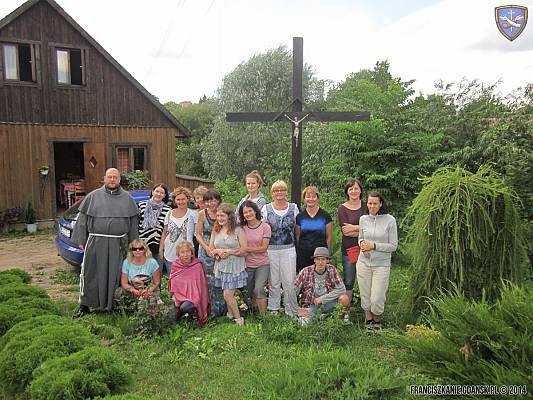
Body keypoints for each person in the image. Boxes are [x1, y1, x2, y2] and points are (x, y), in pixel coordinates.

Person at [72, 167, 139, 318]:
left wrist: (134, 244)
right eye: (110, 177)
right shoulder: (93, 196)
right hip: (96, 242)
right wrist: (81, 239)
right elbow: (82, 220)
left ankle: (114, 303)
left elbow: (133, 224)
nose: (112, 180)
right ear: (104, 178)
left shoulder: (127, 199)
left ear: (119, 180)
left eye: (115, 177)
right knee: (91, 273)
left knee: (117, 274)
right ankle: (85, 305)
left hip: (119, 244)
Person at [356, 191, 398, 331]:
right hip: (363, 263)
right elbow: (361, 237)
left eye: (375, 203)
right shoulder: (363, 219)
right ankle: (369, 321)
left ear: (381, 204)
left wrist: (374, 246)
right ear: (366, 204)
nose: (372, 206)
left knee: (377, 298)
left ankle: (377, 319)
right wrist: (363, 246)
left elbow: (393, 246)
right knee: (365, 295)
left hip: (381, 265)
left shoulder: (390, 220)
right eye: (369, 203)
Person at [261, 180, 299, 317]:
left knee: (289, 281)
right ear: (272, 193)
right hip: (271, 249)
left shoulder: (293, 208)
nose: (279, 193)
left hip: (288, 249)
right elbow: (262, 230)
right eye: (276, 190)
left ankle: (291, 310)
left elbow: (297, 229)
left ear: (286, 192)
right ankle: (273, 308)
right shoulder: (266, 209)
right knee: (273, 281)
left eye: (282, 190)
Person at [210, 203, 248, 325]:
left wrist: (229, 251)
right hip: (221, 266)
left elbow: (244, 250)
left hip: (235, 267)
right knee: (226, 293)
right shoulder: (216, 230)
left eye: (222, 216)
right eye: (218, 216)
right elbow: (211, 250)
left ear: (229, 216)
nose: (219, 219)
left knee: (227, 294)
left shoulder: (238, 230)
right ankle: (230, 314)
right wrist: (218, 253)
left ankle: (239, 319)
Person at [294, 247, 350, 324]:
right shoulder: (306, 271)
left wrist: (322, 299)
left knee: (344, 298)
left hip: (329, 303)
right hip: (312, 305)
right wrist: (297, 310)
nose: (320, 262)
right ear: (314, 260)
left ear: (327, 260)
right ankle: (323, 317)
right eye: (318, 259)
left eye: (323, 259)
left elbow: (342, 289)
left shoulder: (332, 269)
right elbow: (293, 290)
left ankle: (340, 319)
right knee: (303, 324)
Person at [337, 178, 366, 320]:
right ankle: (346, 313)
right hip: (349, 251)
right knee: (348, 281)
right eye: (351, 189)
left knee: (366, 281)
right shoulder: (342, 209)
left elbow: (373, 228)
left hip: (366, 250)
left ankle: (368, 312)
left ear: (360, 190)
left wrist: (354, 228)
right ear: (347, 192)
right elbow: (345, 232)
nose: (354, 191)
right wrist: (364, 228)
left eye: (356, 188)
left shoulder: (367, 206)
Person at [195, 190, 226, 317]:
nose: (210, 203)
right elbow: (197, 234)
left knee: (220, 280)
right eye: (207, 200)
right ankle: (209, 311)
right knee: (207, 281)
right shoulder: (202, 214)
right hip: (205, 251)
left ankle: (223, 310)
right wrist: (207, 248)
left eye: (213, 200)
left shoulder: (224, 213)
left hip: (221, 250)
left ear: (218, 200)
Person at [239, 200, 271, 315]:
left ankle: (263, 316)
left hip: (262, 263)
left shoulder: (265, 227)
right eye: (245, 212)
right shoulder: (241, 228)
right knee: (247, 291)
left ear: (255, 211)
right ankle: (253, 312)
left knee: (258, 289)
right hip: (246, 264)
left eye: (250, 211)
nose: (248, 214)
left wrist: (246, 249)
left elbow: (263, 248)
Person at [169, 241, 209, 325]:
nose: (185, 254)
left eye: (187, 251)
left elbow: (202, 287)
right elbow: (172, 283)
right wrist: (174, 296)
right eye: (182, 252)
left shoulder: (197, 266)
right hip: (178, 298)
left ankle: (192, 318)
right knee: (171, 317)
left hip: (194, 299)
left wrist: (196, 298)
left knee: (186, 307)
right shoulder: (175, 266)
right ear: (178, 254)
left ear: (192, 253)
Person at [295, 186, 333, 273]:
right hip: (303, 254)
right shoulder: (300, 217)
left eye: (313, 196)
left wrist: (326, 254)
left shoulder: (325, 216)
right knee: (305, 278)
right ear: (304, 199)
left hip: (320, 255)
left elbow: (329, 237)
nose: (310, 199)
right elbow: (298, 237)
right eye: (308, 196)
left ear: (317, 198)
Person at [159, 186, 194, 275]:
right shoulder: (169, 213)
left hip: (186, 253)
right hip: (170, 251)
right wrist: (161, 248)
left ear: (188, 199)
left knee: (186, 279)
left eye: (183, 199)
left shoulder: (193, 214)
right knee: (173, 279)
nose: (181, 202)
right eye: (178, 199)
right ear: (175, 200)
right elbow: (164, 232)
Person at [137, 183, 172, 262]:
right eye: (157, 191)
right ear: (152, 192)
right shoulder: (141, 205)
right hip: (142, 246)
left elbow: (166, 230)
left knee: (156, 272)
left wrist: (162, 247)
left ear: (164, 195)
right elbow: (136, 224)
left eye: (162, 193)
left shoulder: (168, 210)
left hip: (158, 246)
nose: (158, 194)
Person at [191, 186, 209, 256]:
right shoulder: (193, 213)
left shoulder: (213, 212)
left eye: (202, 197)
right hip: (196, 242)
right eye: (197, 198)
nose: (200, 200)